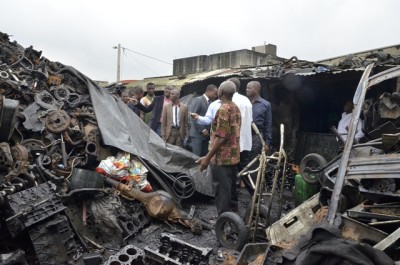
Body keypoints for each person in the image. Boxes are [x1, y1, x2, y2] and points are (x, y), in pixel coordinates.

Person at [196, 81, 241, 215]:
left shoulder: (223, 109)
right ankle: (233, 216)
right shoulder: (235, 107)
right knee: (230, 188)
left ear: (220, 92)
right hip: (233, 156)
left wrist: (207, 158)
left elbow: (222, 137)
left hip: (222, 158)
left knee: (221, 191)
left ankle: (223, 222)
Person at [245, 81, 272, 195]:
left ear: (257, 90)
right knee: (243, 161)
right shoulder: (244, 102)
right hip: (244, 136)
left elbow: (268, 124)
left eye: (249, 88)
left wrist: (267, 142)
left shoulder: (265, 105)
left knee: (254, 163)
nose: (246, 89)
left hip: (257, 136)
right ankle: (243, 184)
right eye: (246, 87)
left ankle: (253, 191)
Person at [188, 84, 218, 156]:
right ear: (209, 91)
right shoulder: (198, 100)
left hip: (206, 136)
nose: (216, 96)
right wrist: (202, 130)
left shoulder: (211, 103)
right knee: (197, 156)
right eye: (215, 93)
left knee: (204, 156)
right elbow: (192, 116)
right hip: (197, 135)